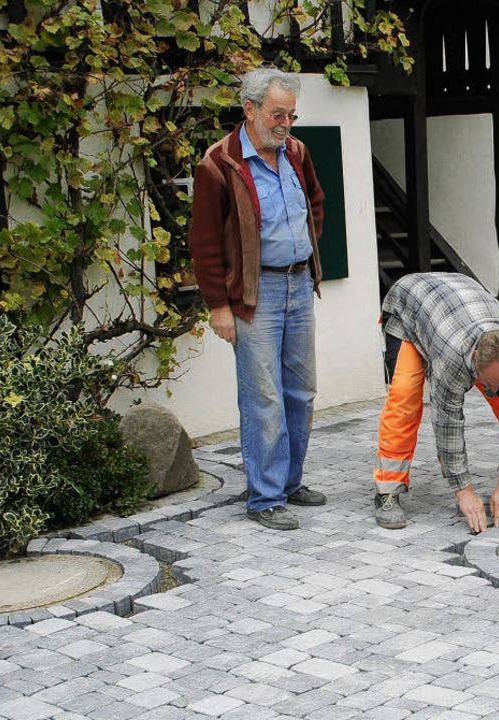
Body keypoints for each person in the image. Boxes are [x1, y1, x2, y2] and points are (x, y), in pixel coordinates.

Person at [188, 68, 328, 531]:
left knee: (301, 391)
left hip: (298, 283)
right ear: (249, 110)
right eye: (277, 114)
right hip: (255, 294)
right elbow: (205, 241)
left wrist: (305, 251)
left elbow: (314, 203)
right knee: (263, 394)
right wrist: (218, 305)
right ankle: (264, 497)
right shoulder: (218, 163)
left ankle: (289, 483)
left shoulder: (297, 153)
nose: (286, 123)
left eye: (291, 114)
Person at [373, 272, 499, 532]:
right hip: (408, 310)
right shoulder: (452, 358)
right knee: (405, 396)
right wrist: (464, 492)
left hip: (459, 302)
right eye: (488, 383)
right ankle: (387, 487)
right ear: (477, 357)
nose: (493, 391)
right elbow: (448, 427)